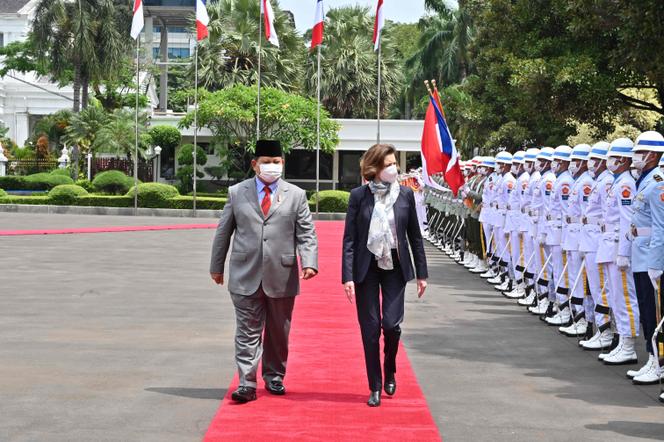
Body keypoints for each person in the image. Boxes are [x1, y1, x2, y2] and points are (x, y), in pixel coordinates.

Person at [209, 139, 319, 403]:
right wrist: (217, 266)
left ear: (283, 163)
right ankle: (246, 382)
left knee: (278, 331)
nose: (272, 166)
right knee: (247, 330)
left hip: (282, 274)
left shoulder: (296, 195)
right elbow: (224, 232)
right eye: (266, 162)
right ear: (254, 164)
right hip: (244, 272)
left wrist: (309, 261)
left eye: (276, 162)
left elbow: (306, 232)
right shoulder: (237, 192)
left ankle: (274, 376)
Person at [342, 143, 428, 407]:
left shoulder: (405, 195)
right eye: (388, 165)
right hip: (366, 267)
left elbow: (414, 236)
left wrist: (422, 273)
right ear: (375, 168)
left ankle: (389, 367)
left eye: (394, 164)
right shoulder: (358, 196)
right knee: (370, 329)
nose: (394, 169)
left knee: (390, 324)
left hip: (395, 266)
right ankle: (375, 386)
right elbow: (350, 239)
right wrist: (347, 276)